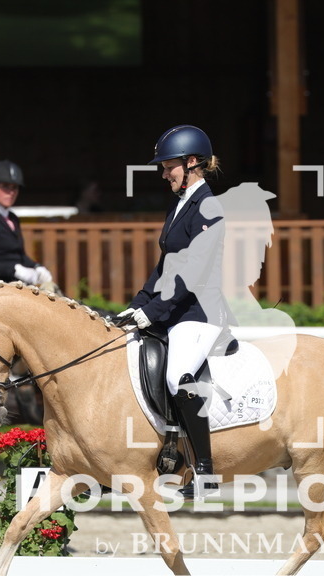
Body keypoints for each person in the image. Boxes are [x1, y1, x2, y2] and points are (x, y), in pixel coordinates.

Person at [117, 125, 228, 500]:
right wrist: (137, 304)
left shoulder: (209, 208)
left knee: (179, 378)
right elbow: (166, 267)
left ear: (191, 162)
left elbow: (192, 273)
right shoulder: (180, 203)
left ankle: (206, 472)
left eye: (169, 167)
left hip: (199, 314)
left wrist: (154, 312)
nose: (164, 174)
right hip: (173, 310)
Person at [0, 160, 53, 287]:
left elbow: (19, 255)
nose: (11, 192)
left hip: (16, 284)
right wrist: (14, 269)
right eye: (5, 186)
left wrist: (36, 266)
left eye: (14, 188)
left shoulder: (13, 218)